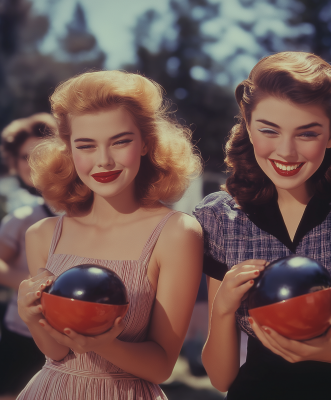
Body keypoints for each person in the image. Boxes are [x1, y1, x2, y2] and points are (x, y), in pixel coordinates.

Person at [193, 52, 331, 400]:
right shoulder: (222, 218)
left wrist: (329, 353)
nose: (286, 152)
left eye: (307, 133)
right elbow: (221, 378)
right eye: (269, 130)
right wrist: (223, 308)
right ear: (247, 123)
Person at [16, 70, 203, 400]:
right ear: (69, 151)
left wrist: (104, 345)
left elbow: (161, 367)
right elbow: (56, 354)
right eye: (86, 145)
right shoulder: (42, 235)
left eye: (120, 141)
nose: (103, 161)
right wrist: (31, 318)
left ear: (146, 143)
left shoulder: (176, 233)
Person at [0, 113, 57, 400]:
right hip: (22, 333)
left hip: (75, 336)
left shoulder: (91, 211)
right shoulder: (22, 218)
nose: (34, 162)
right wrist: (38, 287)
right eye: (25, 156)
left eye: (42, 152)